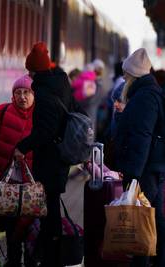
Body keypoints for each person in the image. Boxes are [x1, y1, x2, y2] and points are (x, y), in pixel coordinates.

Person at [13, 42, 82, 267]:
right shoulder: (62, 83)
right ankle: (47, 253)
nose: (29, 75)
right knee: (50, 205)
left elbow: (45, 130)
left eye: (30, 70)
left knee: (49, 210)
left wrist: (22, 146)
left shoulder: (43, 93)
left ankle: (48, 255)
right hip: (61, 156)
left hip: (50, 158)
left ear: (34, 71)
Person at [114, 48, 165, 267]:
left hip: (144, 170)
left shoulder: (145, 97)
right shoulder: (146, 94)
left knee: (145, 220)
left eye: (126, 73)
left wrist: (133, 174)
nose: (123, 77)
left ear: (134, 74)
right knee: (149, 218)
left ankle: (144, 262)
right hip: (148, 167)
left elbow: (142, 136)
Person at [0, 75, 35, 267]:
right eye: (18, 93)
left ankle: (30, 260)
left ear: (34, 94)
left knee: (30, 226)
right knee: (11, 227)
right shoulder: (2, 112)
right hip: (7, 182)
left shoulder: (42, 117)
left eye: (27, 92)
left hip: (31, 185)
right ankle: (13, 261)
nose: (22, 97)